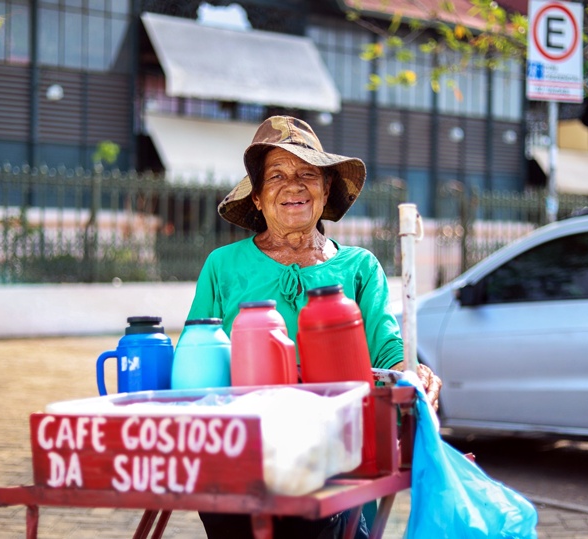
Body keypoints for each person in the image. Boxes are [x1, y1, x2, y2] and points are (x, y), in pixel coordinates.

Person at [187, 116, 442, 538]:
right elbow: (197, 355)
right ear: (257, 197)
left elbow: (386, 349)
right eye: (277, 176)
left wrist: (414, 374)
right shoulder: (222, 266)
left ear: (325, 189)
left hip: (338, 453)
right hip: (244, 453)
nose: (294, 186)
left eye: (308, 174)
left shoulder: (360, 267)